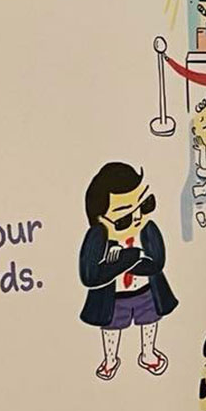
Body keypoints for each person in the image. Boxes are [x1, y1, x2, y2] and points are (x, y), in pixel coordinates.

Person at [79, 162, 177, 381]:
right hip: (114, 297)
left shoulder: (147, 229)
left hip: (145, 292)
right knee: (112, 327)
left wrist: (127, 260)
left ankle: (148, 353)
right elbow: (90, 275)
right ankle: (110, 359)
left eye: (145, 205)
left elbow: (156, 263)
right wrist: (129, 258)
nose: (138, 218)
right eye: (124, 219)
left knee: (150, 321)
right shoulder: (98, 238)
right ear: (100, 220)